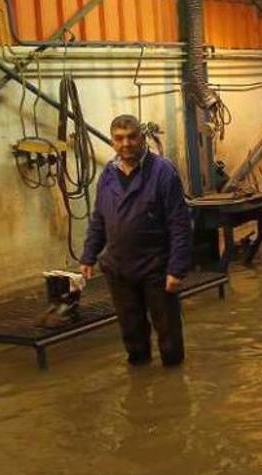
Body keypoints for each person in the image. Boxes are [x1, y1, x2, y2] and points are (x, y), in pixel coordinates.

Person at [80, 114, 193, 367]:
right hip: (119, 269)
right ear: (112, 142)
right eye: (119, 138)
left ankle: (174, 391)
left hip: (156, 268)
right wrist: (89, 255)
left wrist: (176, 269)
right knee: (133, 338)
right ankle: (140, 382)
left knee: (169, 338)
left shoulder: (163, 172)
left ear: (142, 138)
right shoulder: (108, 174)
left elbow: (179, 223)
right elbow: (99, 217)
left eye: (132, 137)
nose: (126, 144)